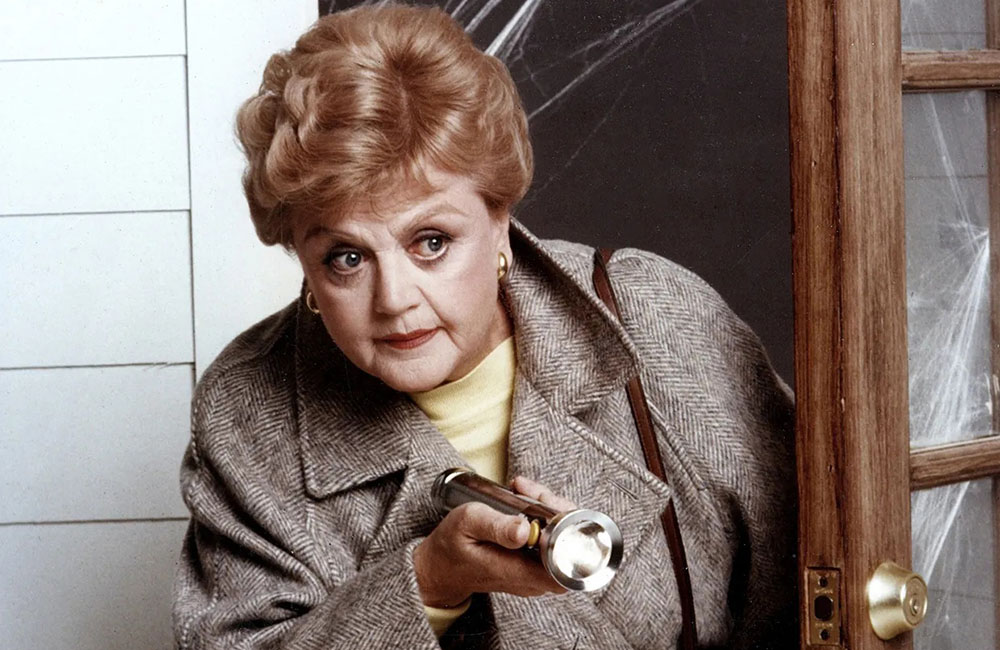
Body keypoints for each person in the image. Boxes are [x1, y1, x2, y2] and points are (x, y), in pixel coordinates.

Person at [171, 4, 797, 649]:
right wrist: (428, 585)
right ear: (301, 259)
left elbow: (818, 584)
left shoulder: (651, 313)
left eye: (431, 242)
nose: (394, 301)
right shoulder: (247, 411)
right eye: (346, 258)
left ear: (500, 220)